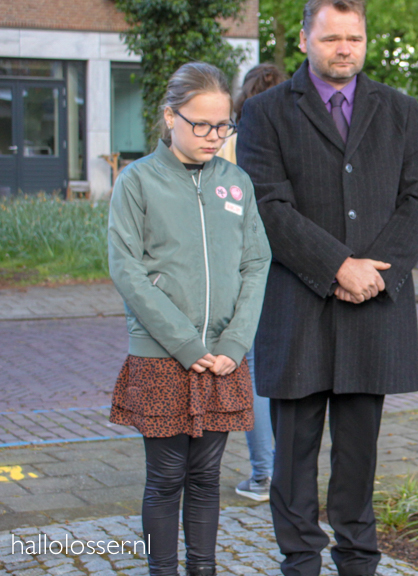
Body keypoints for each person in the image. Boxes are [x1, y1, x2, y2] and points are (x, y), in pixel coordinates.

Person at [235, 0, 418, 574]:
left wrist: (377, 272)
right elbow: (267, 205)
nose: (344, 48)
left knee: (359, 452)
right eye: (331, 39)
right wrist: (337, 266)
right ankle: (300, 560)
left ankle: (359, 559)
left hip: (375, 306)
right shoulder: (265, 113)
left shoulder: (400, 110)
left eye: (354, 37)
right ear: (304, 40)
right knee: (294, 453)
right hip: (298, 305)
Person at [107, 62, 271, 576]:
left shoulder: (236, 182)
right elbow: (126, 269)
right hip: (162, 358)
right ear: (169, 117)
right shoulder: (137, 182)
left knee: (207, 477)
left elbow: (256, 261)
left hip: (224, 359)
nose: (213, 136)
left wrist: (235, 342)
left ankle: (203, 569)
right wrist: (186, 345)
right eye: (200, 124)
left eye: (223, 125)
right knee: (166, 477)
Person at [215, 62, 288, 503]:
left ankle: (264, 473)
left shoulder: (231, 142)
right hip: (292, 264)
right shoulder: (292, 136)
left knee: (256, 370)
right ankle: (283, 473)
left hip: (244, 267)